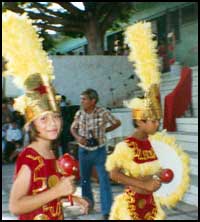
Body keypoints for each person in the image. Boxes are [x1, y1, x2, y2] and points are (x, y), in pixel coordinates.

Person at [3, 11, 89, 220]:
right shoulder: (29, 158)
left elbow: (42, 194)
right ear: (32, 124)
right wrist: (57, 192)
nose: (53, 123)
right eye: (44, 118)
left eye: (56, 116)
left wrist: (69, 198)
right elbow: (16, 205)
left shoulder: (50, 152)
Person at [105, 22, 168, 220]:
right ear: (139, 122)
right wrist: (143, 185)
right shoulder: (126, 146)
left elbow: (156, 172)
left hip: (151, 204)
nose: (156, 124)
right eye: (152, 121)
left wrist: (161, 176)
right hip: (131, 206)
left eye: (157, 120)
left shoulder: (154, 143)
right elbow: (113, 174)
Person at [70, 88, 121, 220]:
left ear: (93, 101)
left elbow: (117, 122)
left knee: (104, 180)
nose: (81, 101)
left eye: (84, 99)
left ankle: (107, 211)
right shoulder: (79, 113)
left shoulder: (103, 112)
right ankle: (88, 204)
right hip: (83, 151)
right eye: (81, 99)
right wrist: (78, 138)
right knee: (85, 180)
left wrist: (105, 131)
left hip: (99, 151)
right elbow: (72, 128)